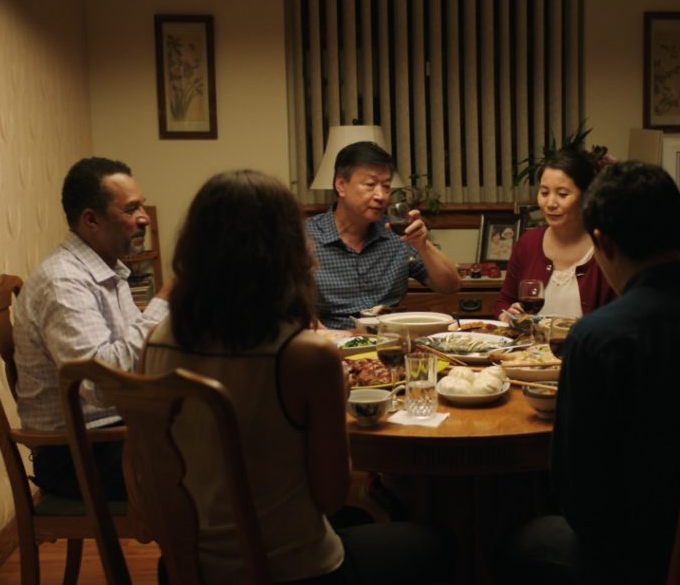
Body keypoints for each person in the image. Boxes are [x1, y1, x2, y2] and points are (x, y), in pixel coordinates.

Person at [142, 170, 452, 585]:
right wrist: (336, 396)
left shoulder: (157, 342)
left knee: (360, 520)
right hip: (294, 570)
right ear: (283, 250)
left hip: (188, 568)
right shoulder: (304, 355)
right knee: (437, 544)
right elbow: (328, 497)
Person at [506, 162, 680, 583]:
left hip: (640, 560)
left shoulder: (599, 339)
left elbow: (576, 491)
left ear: (601, 241)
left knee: (520, 541)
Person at [13, 156, 170, 500]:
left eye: (141, 205)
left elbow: (134, 360)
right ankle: (187, 553)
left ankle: (192, 552)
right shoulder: (63, 282)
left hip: (111, 432)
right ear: (91, 220)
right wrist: (164, 301)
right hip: (76, 455)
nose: (144, 217)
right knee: (206, 464)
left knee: (218, 434)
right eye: (132, 209)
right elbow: (100, 385)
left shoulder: (108, 272)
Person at [307, 141, 461, 328]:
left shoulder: (397, 233)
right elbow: (284, 303)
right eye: (370, 185)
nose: (381, 196)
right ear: (341, 185)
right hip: (331, 343)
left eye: (386, 186)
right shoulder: (305, 237)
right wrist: (327, 338)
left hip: (392, 341)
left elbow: (450, 286)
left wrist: (422, 245)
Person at [494, 149, 613, 320]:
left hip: (586, 346)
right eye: (544, 193)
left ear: (587, 196)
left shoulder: (605, 248)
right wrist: (509, 315)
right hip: (531, 346)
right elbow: (504, 301)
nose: (550, 203)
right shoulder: (528, 243)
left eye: (562, 194)